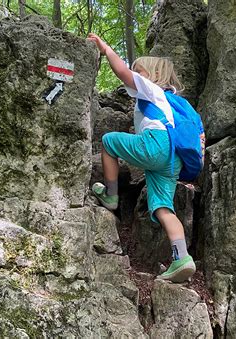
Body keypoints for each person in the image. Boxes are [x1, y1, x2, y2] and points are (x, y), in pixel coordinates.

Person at [87, 33, 196, 283]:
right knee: (162, 207)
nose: (135, 77)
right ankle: (182, 258)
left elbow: (122, 72)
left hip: (156, 146)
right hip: (172, 159)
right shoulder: (173, 100)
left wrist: (107, 50)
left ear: (152, 75)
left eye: (140, 72)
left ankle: (111, 195)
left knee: (109, 141)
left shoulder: (152, 90)